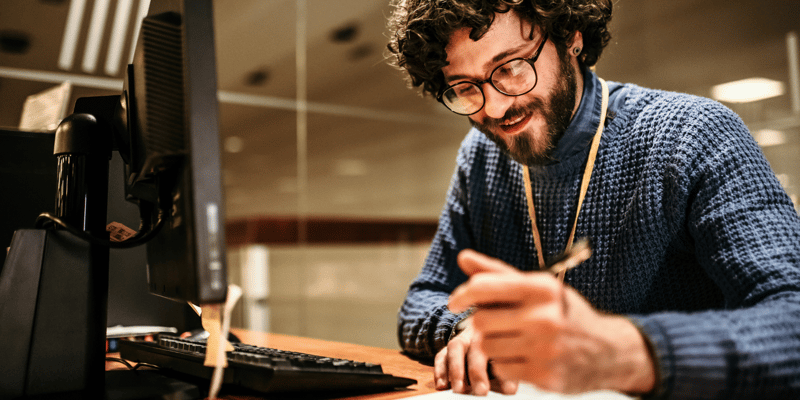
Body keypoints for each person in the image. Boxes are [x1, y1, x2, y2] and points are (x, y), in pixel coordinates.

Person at [385, 0, 800, 399]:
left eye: (510, 67)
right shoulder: (482, 156)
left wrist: (623, 353)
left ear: (571, 37)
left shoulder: (693, 135)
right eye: (465, 86)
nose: (494, 107)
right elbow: (422, 300)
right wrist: (475, 326)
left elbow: (791, 320)